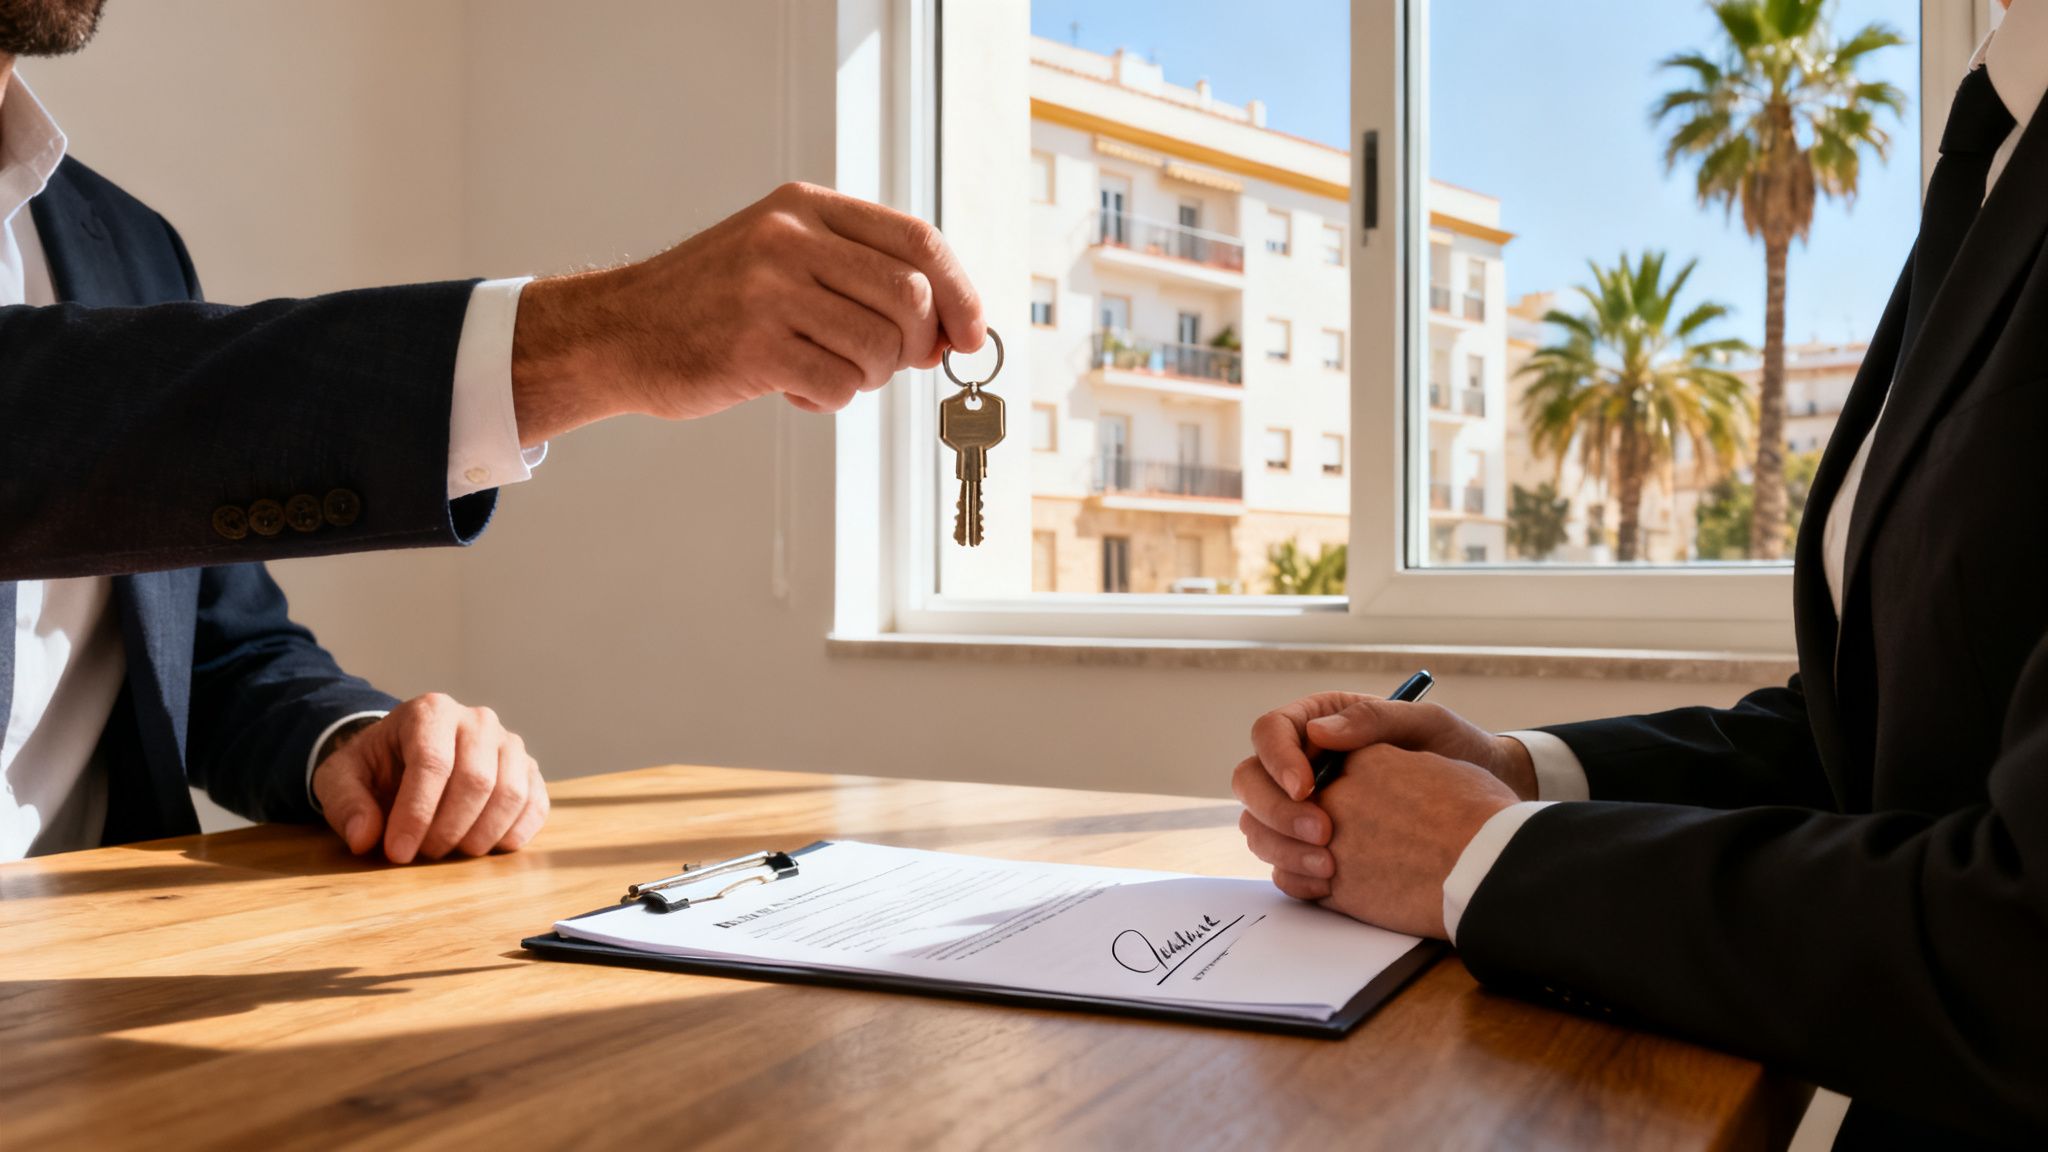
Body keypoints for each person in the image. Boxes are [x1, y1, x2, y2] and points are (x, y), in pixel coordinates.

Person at [1236, 5, 2047, 1148]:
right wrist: (1515, 772)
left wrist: (1484, 857)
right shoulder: (1997, 145)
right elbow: (1879, 746)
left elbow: (2020, 950)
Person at [0, 1, 984, 862]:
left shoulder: (126, 243)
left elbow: (215, 653)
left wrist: (345, 741)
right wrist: (605, 333)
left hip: (93, 996)